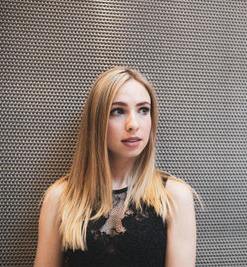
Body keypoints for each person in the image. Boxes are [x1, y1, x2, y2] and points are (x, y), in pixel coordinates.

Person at [34, 67, 197, 267]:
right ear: (97, 121)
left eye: (143, 110)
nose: (133, 124)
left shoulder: (174, 196)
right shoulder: (60, 197)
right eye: (118, 111)